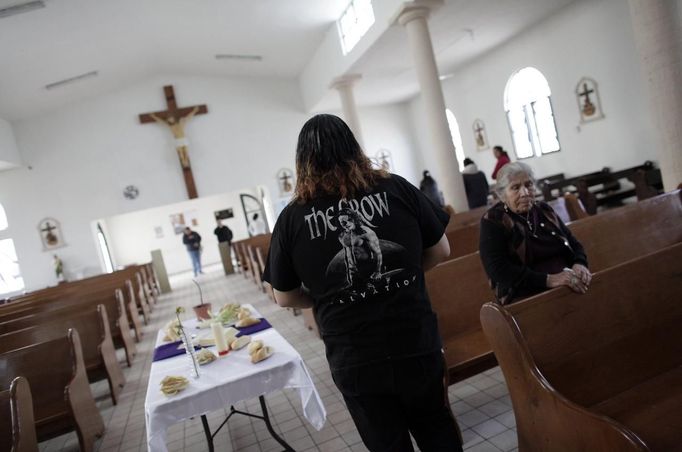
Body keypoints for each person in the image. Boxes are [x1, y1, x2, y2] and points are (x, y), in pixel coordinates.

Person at [263, 114, 463, 452]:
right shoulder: (397, 188)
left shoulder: (292, 218)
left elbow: (283, 297)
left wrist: (325, 296)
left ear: (302, 161)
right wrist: (405, 277)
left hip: (355, 357)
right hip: (414, 340)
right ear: (354, 148)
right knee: (437, 431)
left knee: (387, 444)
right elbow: (441, 249)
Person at [479, 162, 592, 304]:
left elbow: (573, 242)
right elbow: (498, 270)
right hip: (525, 295)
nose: (525, 193)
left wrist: (579, 263)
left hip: (567, 281)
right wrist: (548, 280)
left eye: (528, 185)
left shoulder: (544, 210)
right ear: (502, 195)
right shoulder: (493, 221)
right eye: (515, 187)